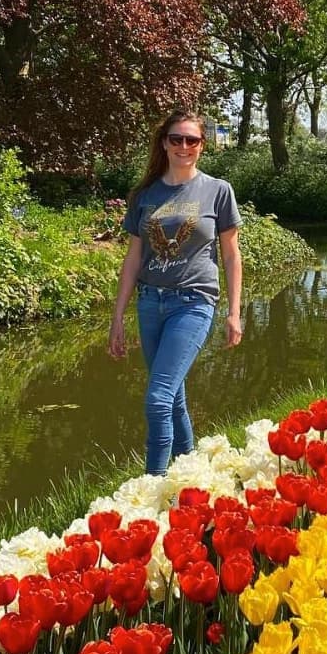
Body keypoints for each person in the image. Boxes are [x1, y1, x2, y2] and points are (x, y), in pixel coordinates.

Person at [109, 110, 243, 475]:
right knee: (174, 397)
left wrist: (234, 312)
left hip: (194, 303)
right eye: (176, 139)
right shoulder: (145, 195)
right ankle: (192, 473)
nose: (184, 146)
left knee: (157, 399)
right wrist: (118, 316)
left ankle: (153, 486)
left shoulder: (218, 191)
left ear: (202, 145)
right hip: (150, 303)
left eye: (192, 140)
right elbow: (133, 257)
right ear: (164, 144)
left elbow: (231, 255)